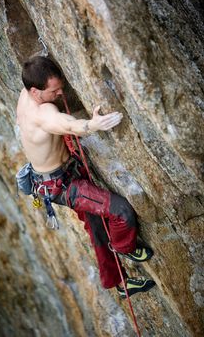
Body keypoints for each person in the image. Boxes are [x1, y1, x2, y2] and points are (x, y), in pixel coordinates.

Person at [16, 56, 155, 298]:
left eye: (60, 87)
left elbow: (36, 71)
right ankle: (125, 247)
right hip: (65, 185)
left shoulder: (27, 91)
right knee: (120, 212)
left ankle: (121, 285)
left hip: (54, 178)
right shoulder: (43, 114)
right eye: (55, 90)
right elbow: (67, 124)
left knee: (96, 227)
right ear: (36, 92)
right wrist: (93, 125)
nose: (61, 93)